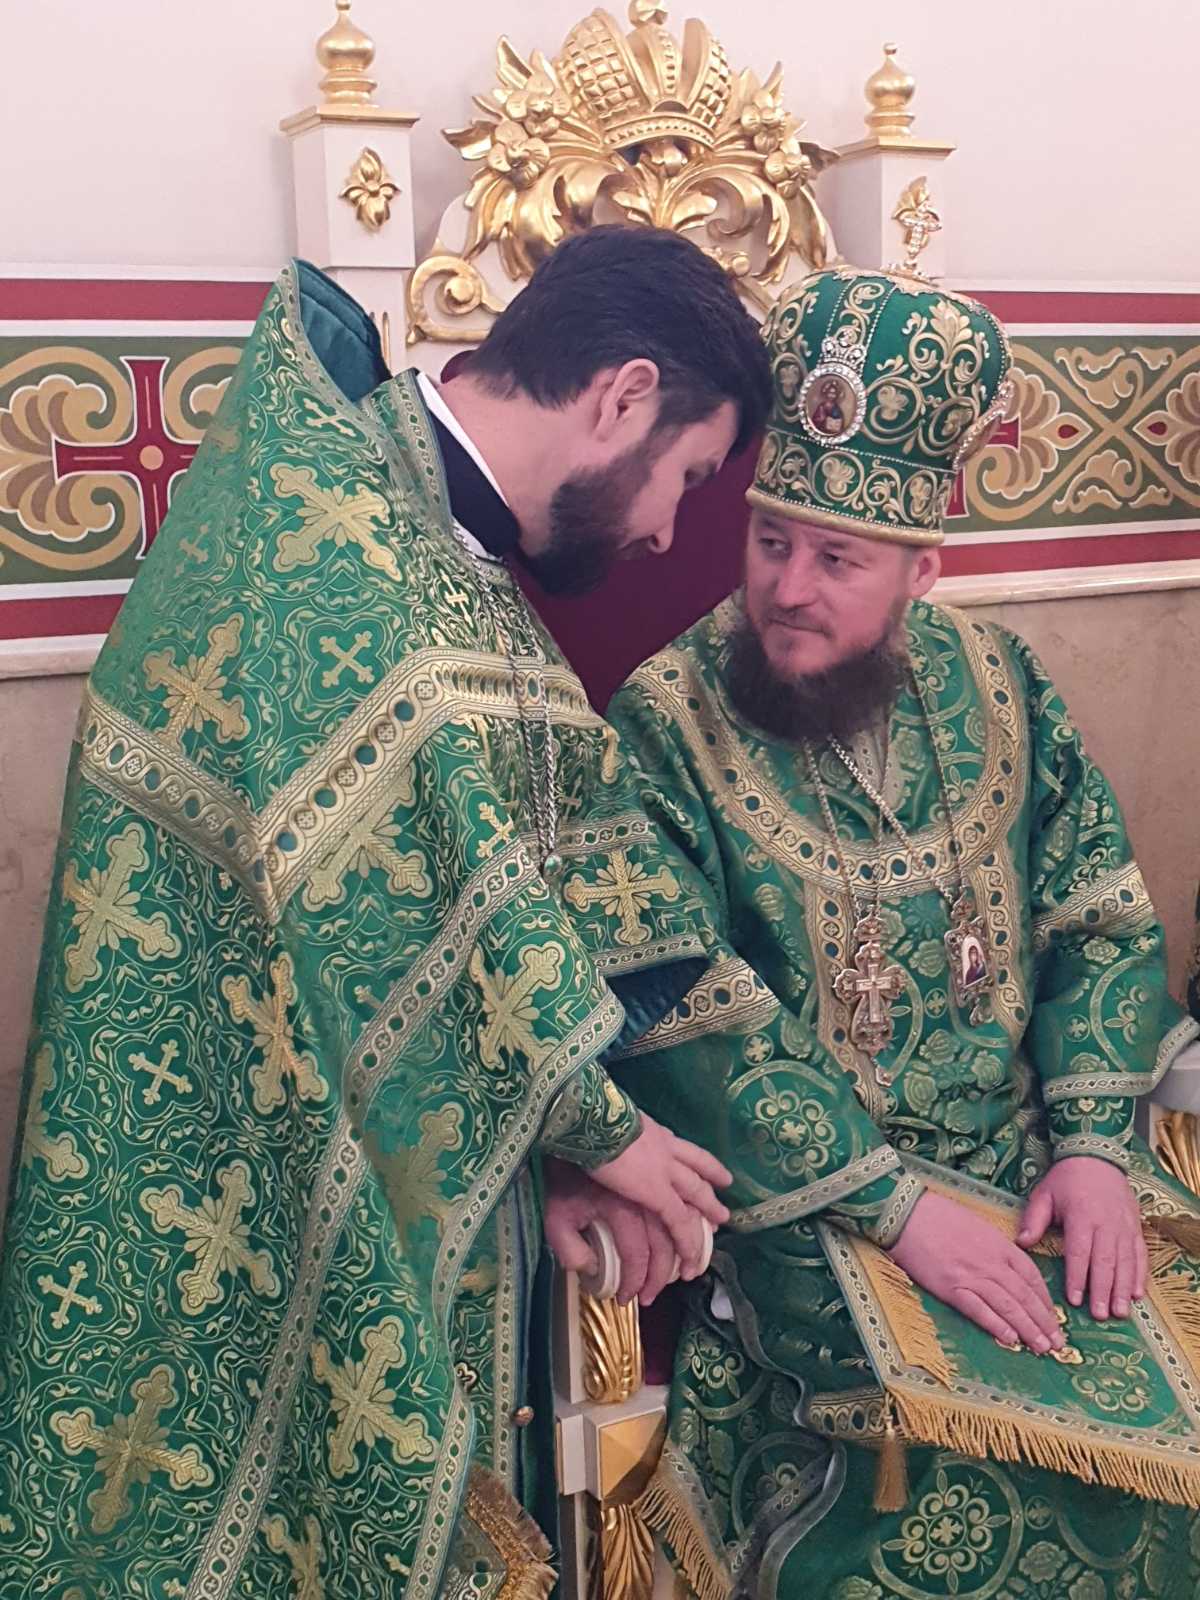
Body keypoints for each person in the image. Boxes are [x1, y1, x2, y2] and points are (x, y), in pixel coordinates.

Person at [0, 227, 772, 1598]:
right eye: (689, 476)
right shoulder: (334, 539)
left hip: (390, 1173)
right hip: (224, 1189)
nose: (667, 529)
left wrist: (547, 1163)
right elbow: (413, 915)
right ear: (624, 396)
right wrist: (602, 1133)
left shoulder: (438, 547)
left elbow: (464, 915)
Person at [550, 268, 1200, 1598]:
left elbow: (1099, 913)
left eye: (837, 560)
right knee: (947, 1477)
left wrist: (1091, 1148)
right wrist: (899, 1212)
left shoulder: (1002, 683)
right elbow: (681, 1011)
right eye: (770, 541)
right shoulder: (666, 722)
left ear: (921, 569)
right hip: (817, 1209)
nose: (787, 589)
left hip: (1028, 1164)